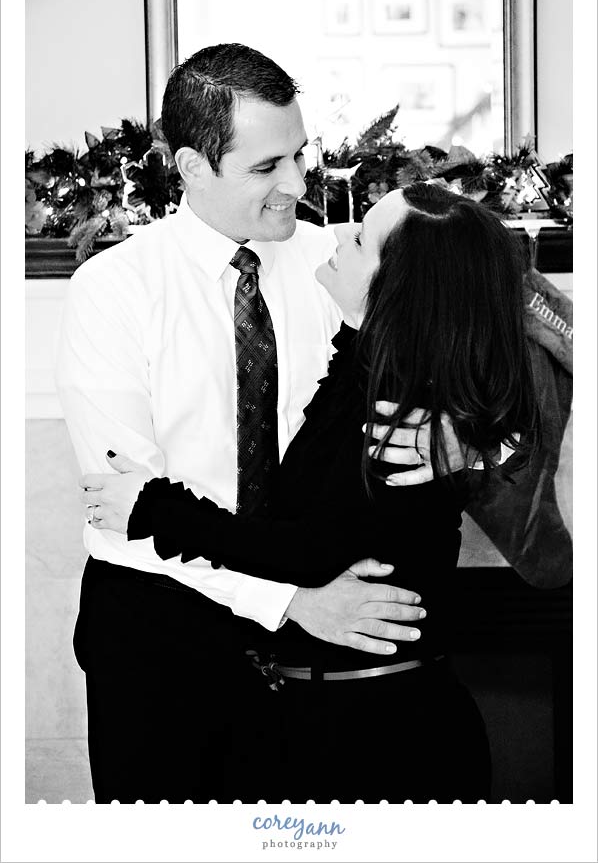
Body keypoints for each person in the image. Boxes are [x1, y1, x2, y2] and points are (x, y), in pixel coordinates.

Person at [56, 44, 466, 804]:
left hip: (313, 653)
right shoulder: (110, 290)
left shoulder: (345, 264)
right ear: (191, 167)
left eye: (299, 156)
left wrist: (469, 435)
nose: (296, 186)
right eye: (265, 167)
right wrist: (294, 603)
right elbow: (128, 507)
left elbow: (507, 329)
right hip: (162, 634)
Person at [80, 182, 540, 803]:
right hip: (277, 694)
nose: (334, 230)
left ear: (400, 289)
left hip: (382, 737)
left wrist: (156, 509)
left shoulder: (398, 409)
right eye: (272, 162)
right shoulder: (367, 364)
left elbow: (315, 546)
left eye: (360, 238)